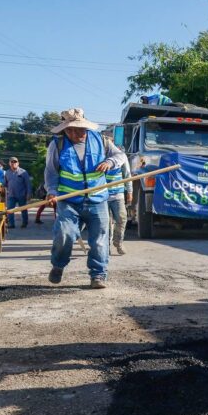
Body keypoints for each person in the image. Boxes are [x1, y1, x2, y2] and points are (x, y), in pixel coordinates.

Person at [44, 108, 128, 289]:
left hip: (97, 200)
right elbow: (51, 172)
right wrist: (52, 191)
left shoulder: (102, 141)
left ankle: (98, 275)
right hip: (69, 201)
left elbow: (120, 156)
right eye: (71, 130)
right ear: (65, 130)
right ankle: (58, 265)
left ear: (86, 127)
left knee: (99, 240)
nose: (76, 133)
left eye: (80, 129)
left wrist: (110, 162)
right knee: (64, 234)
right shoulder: (57, 145)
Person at [106, 157, 132, 255]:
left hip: (118, 194)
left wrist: (129, 191)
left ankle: (118, 242)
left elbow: (127, 175)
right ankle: (106, 246)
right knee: (106, 222)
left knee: (122, 218)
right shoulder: (99, 153)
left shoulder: (120, 156)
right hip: (102, 195)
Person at [4, 157, 32, 229]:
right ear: (9, 163)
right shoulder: (7, 172)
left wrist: (28, 194)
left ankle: (24, 223)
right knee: (10, 210)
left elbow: (28, 184)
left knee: (23, 209)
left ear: (18, 163)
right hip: (11, 195)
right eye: (12, 162)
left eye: (15, 162)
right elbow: (5, 184)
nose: (13, 163)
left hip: (21, 195)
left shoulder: (23, 172)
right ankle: (11, 224)